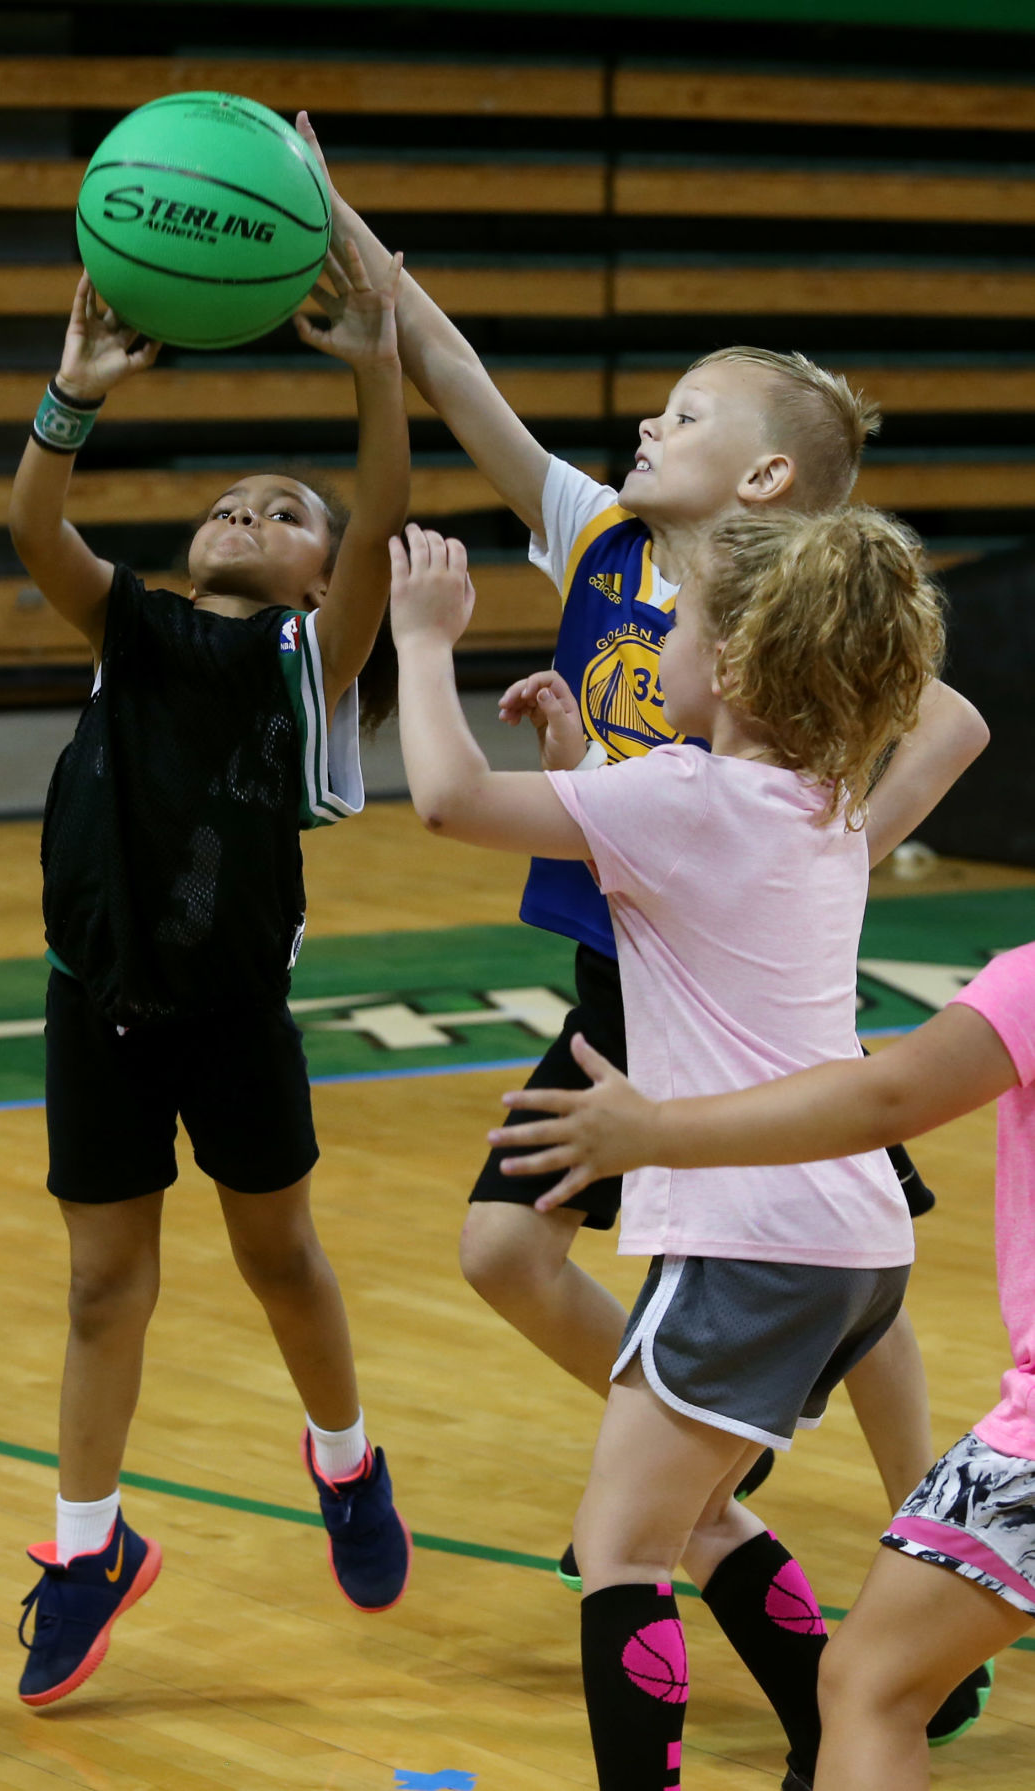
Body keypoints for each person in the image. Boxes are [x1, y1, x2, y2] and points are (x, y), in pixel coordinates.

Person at [296, 111, 990, 1679]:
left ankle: (937, 1561)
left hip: (748, 992)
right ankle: (692, 1462)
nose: (641, 424)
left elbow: (953, 721)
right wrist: (335, 218)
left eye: (680, 411)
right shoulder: (606, 541)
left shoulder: (792, 594)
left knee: (862, 1295)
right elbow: (465, 382)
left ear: (760, 473)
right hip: (634, 978)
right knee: (510, 1248)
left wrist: (832, 848)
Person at [389, 503, 943, 1791]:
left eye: (675, 628)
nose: (653, 649)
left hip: (745, 1239)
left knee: (621, 1546)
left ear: (738, 668)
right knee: (694, 1511)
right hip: (854, 1246)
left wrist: (425, 644)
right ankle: (824, 1736)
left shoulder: (686, 795)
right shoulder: (824, 801)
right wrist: (585, 758)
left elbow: (448, 801)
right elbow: (666, 859)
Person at [6, 246, 411, 1708]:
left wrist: (373, 364)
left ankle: (346, 1457)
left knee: (279, 1257)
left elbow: (384, 526)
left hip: (233, 1015)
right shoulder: (133, 623)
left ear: (318, 565)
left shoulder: (312, 661)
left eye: (286, 511)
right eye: (229, 500)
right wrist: (73, 395)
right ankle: (86, 1548)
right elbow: (33, 527)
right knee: (104, 1286)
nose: (249, 512)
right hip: (93, 998)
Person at [495, 944, 1035, 1791]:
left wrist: (653, 1132)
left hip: (762, 1225)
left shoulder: (1030, 978)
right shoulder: (832, 826)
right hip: (856, 1225)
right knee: (711, 1523)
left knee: (645, 1553)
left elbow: (887, 1097)